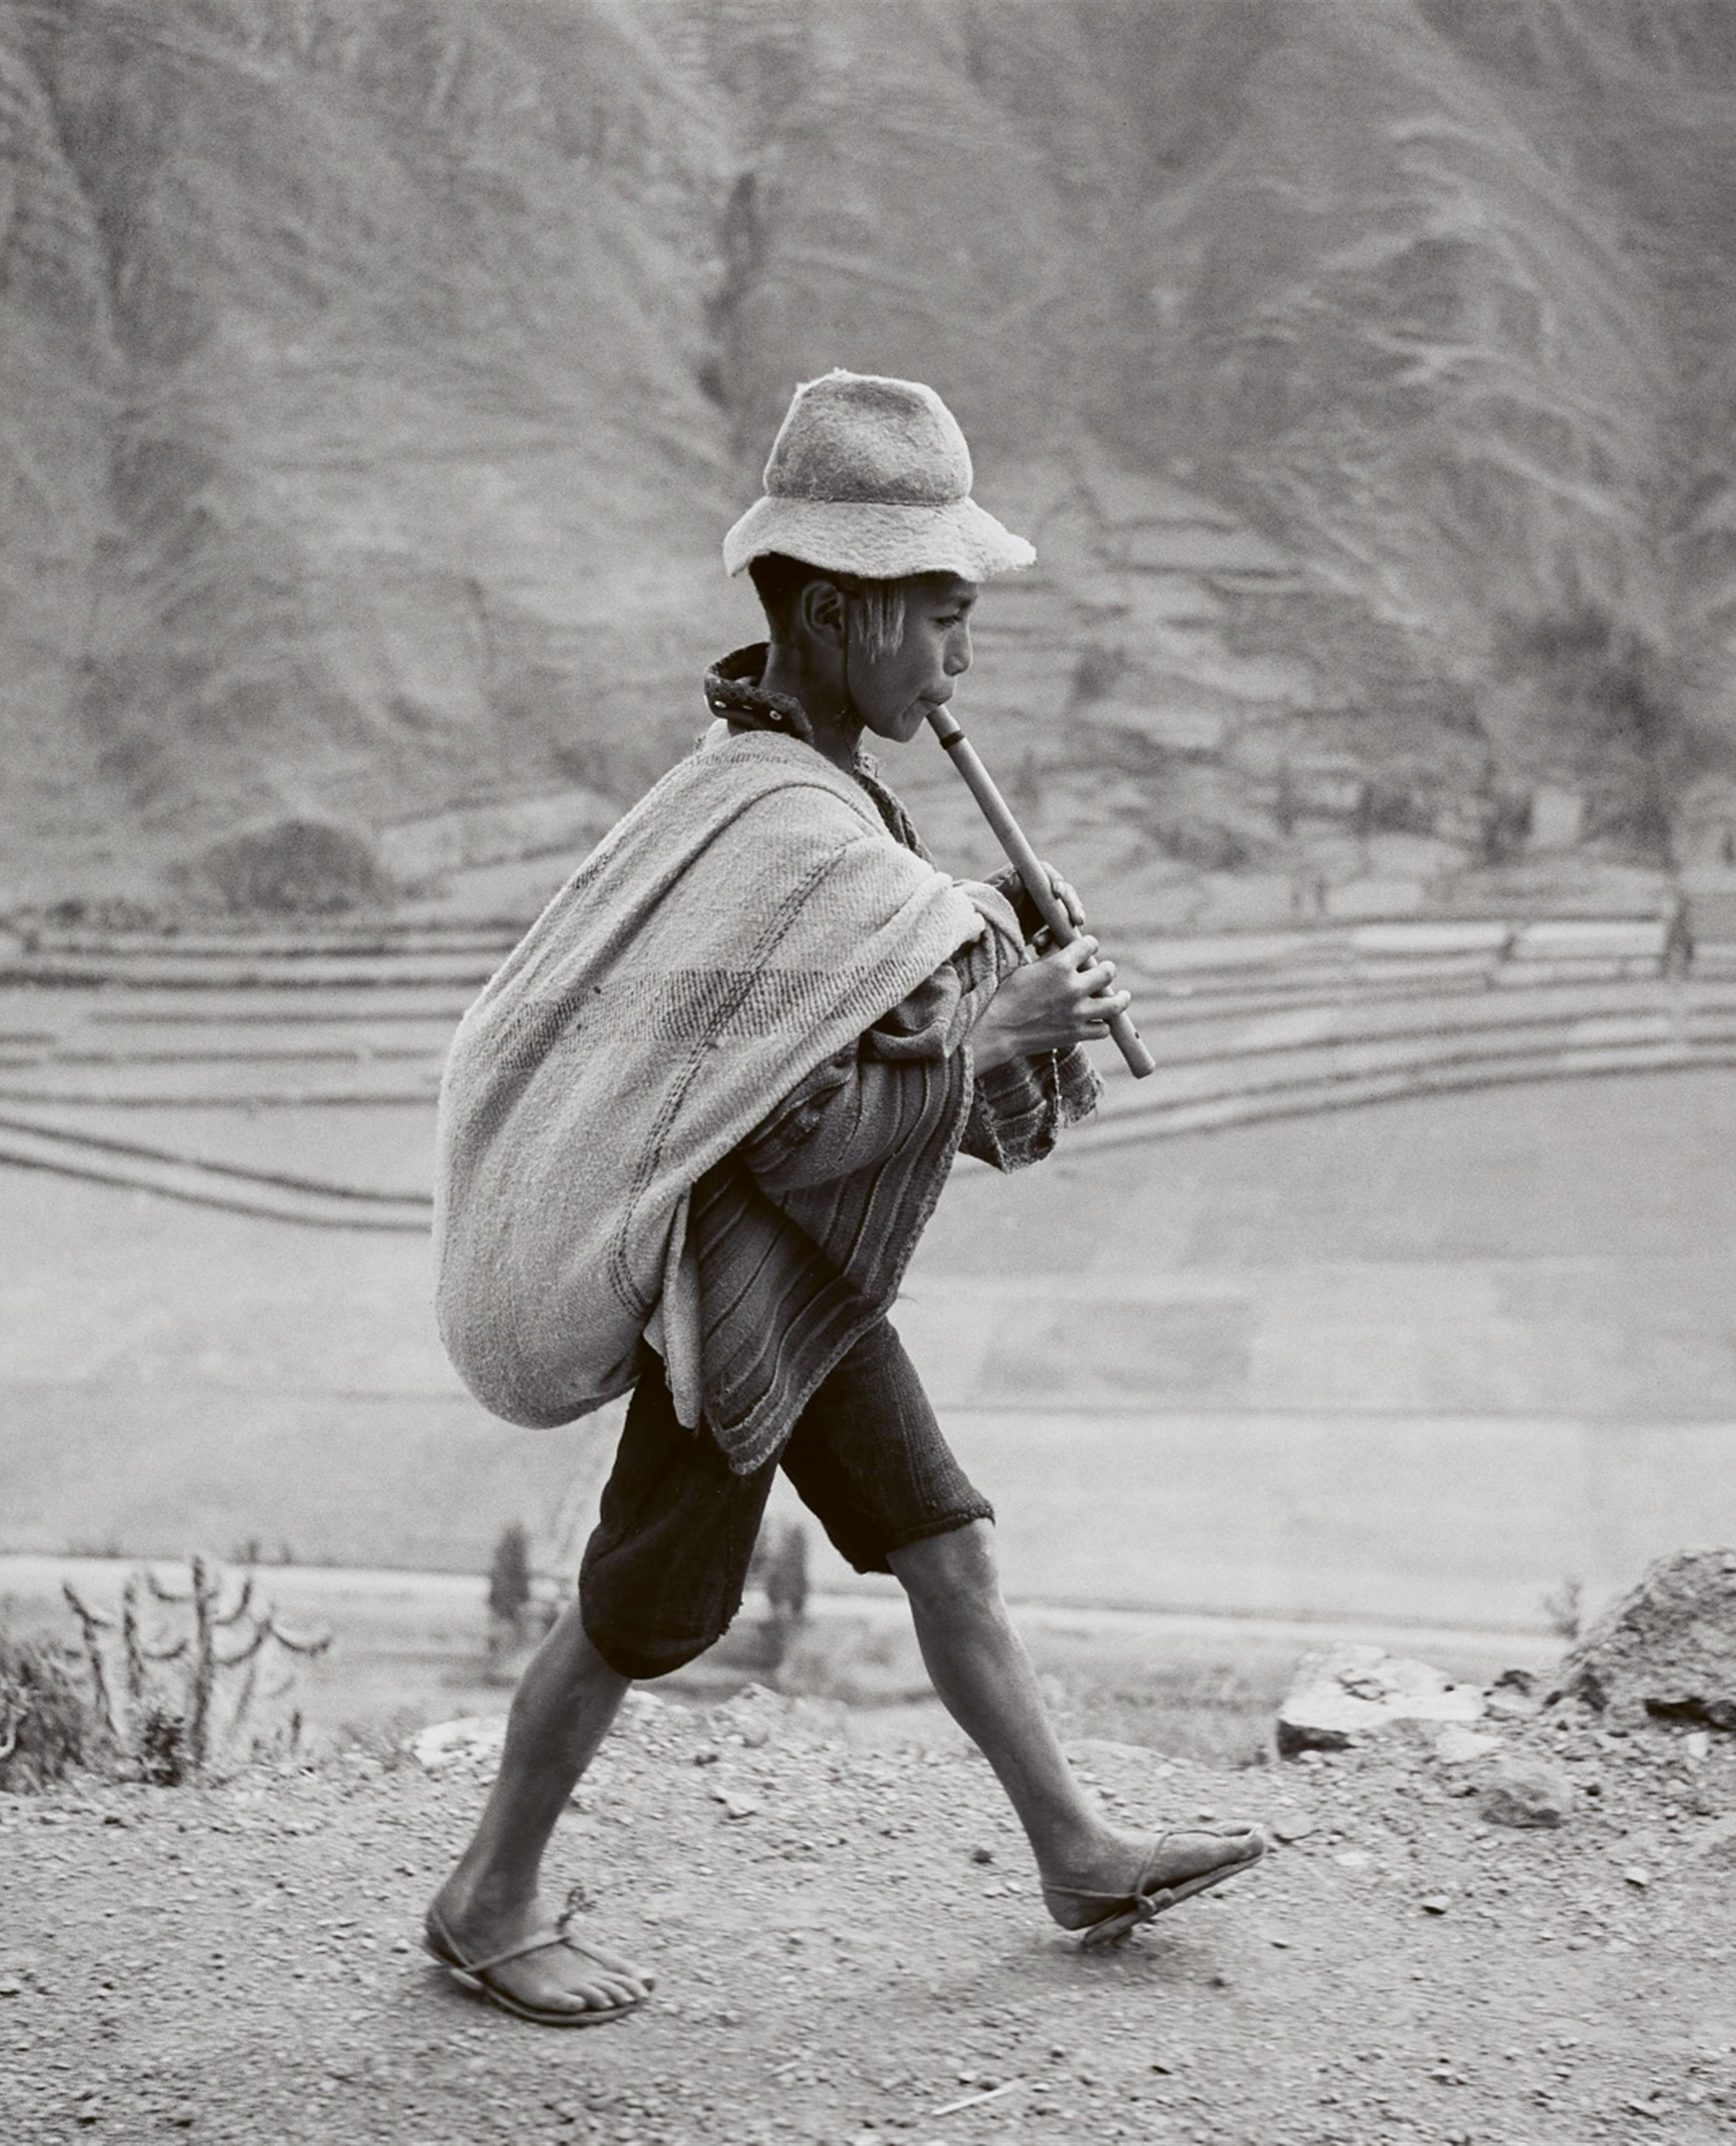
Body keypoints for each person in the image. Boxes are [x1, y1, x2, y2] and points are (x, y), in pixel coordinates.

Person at [424, 370, 1268, 2027]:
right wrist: (995, 1021)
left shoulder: (806, 811)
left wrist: (979, 947)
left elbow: (841, 1061)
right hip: (729, 1305)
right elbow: (792, 1134)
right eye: (941, 619)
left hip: (806, 1288)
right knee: (643, 1608)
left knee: (944, 1548)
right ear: (830, 612)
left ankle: (1077, 1847)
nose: (962, 661)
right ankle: (485, 1896)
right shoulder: (791, 835)